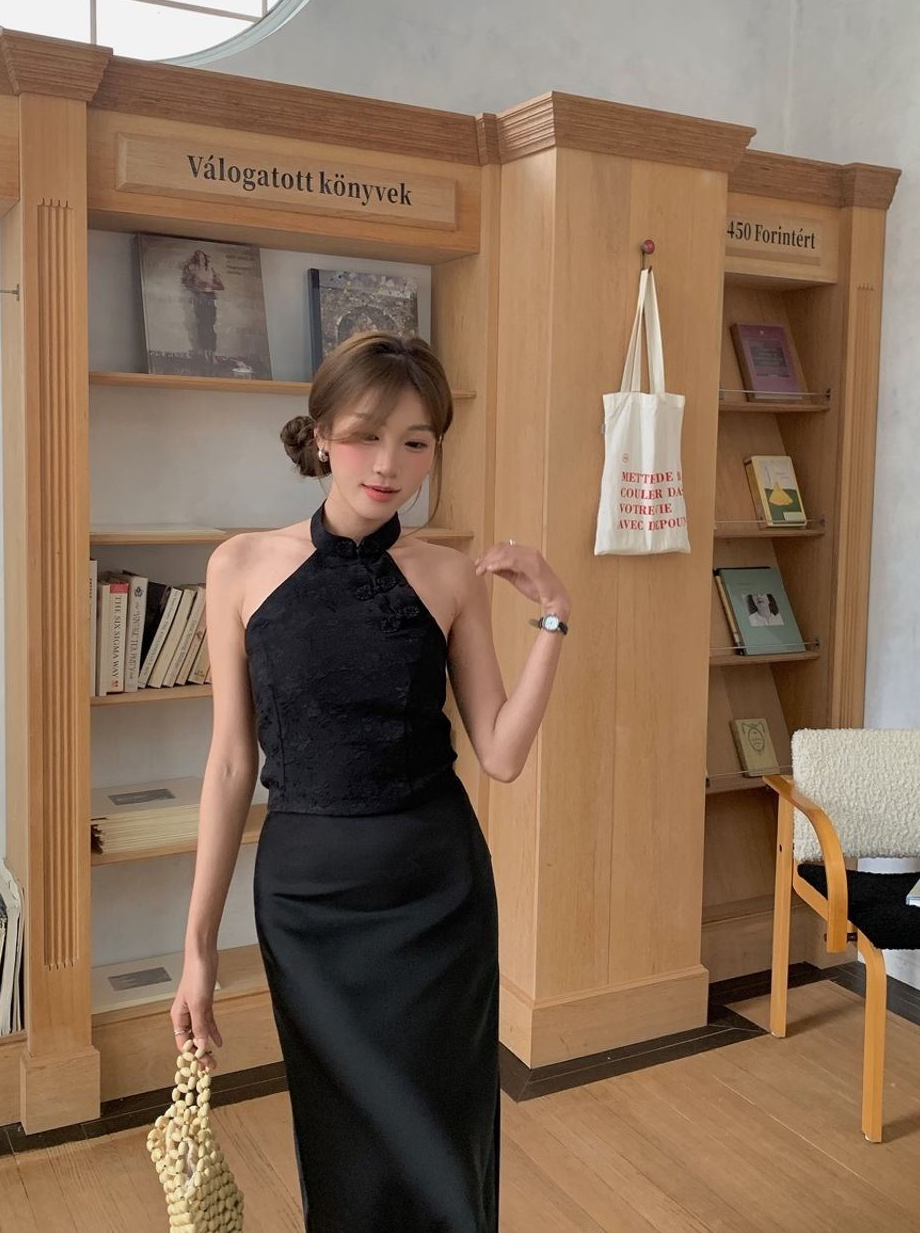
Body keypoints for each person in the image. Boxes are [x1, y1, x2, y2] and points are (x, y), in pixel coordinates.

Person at [170, 330, 571, 1231]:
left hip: (437, 896)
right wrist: (198, 949)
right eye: (365, 435)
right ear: (319, 435)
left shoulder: (449, 575)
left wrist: (554, 615)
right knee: (344, 1150)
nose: (389, 464)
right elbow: (231, 763)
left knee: (446, 1144)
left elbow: (502, 753)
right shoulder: (238, 567)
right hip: (308, 905)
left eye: (416, 441)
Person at [180, 248, 224, 369]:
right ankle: (205, 354)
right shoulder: (192, 269)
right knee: (202, 326)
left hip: (210, 299)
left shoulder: (211, 269)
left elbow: (221, 286)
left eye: (202, 257)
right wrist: (198, 288)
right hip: (200, 300)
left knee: (211, 327)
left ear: (205, 258)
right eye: (198, 257)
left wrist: (210, 285)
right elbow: (187, 283)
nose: (201, 260)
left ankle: (213, 354)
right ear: (196, 259)